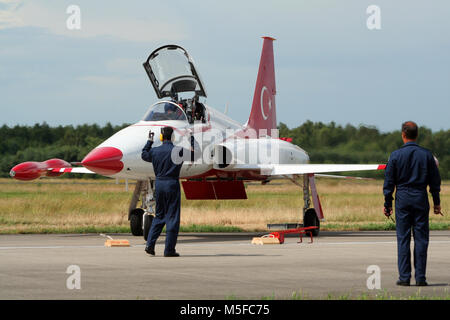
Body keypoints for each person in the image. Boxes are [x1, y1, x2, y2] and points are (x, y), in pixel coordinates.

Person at [383, 121, 442, 286]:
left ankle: (404, 277)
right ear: (417, 135)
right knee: (421, 239)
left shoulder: (395, 155)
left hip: (402, 198)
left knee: (403, 239)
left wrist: (387, 203)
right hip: (420, 197)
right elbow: (435, 181)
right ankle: (421, 278)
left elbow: (389, 182)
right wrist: (436, 202)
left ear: (403, 134)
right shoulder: (426, 155)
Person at [141, 126, 198, 257]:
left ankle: (150, 244)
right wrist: (191, 138)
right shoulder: (178, 151)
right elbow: (195, 154)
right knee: (172, 217)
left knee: (159, 215)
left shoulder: (155, 151)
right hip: (172, 183)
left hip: (160, 184)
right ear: (173, 137)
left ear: (161, 137)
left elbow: (144, 154)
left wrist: (149, 141)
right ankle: (169, 250)